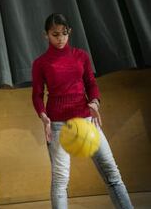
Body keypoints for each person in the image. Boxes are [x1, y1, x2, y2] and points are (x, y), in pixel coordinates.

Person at [31, 13, 133, 209]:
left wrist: (94, 102)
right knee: (60, 182)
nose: (60, 39)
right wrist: (43, 116)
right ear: (46, 35)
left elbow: (91, 84)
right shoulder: (41, 63)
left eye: (64, 33)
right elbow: (37, 95)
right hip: (58, 126)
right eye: (55, 34)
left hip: (87, 121)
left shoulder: (81, 56)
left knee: (112, 174)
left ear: (70, 32)